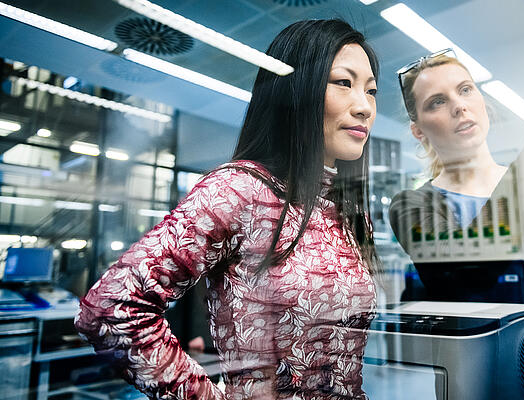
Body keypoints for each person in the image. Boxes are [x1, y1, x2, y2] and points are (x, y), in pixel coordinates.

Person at [75, 19, 381, 400]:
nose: (365, 106)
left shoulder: (348, 209)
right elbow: (112, 309)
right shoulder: (239, 190)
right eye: (343, 82)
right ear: (296, 90)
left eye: (371, 90)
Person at [388, 49, 509, 252]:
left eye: (465, 90)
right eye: (438, 102)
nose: (459, 106)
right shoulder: (412, 206)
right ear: (418, 131)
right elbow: (463, 269)